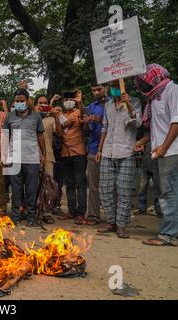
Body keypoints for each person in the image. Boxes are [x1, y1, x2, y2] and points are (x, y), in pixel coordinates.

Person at [134, 64, 178, 246]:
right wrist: (143, 142)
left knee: (171, 194)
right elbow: (158, 127)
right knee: (171, 194)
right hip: (162, 152)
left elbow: (177, 122)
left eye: (144, 81)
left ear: (155, 78)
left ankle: (167, 235)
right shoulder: (155, 98)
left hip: (175, 150)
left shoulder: (174, 91)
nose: (142, 86)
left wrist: (164, 148)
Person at [95, 80, 142, 238]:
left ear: (124, 86)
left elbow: (137, 123)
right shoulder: (107, 105)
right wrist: (100, 149)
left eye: (117, 86)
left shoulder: (135, 102)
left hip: (126, 151)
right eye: (112, 86)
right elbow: (105, 127)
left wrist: (128, 104)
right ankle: (111, 222)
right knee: (105, 189)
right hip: (108, 151)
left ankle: (121, 225)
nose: (114, 89)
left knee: (124, 190)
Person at [3, 89, 46, 227]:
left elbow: (40, 136)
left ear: (28, 101)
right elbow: (5, 137)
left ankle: (31, 217)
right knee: (16, 189)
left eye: (22, 101)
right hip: (13, 158)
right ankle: (15, 216)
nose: (19, 103)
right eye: (17, 101)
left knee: (31, 189)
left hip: (32, 158)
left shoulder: (36, 116)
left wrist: (43, 155)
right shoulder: (9, 116)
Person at [53, 90, 87, 225]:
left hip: (78, 153)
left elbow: (83, 121)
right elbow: (59, 133)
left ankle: (81, 213)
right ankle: (71, 211)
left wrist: (80, 104)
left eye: (70, 99)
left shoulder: (78, 112)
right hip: (65, 154)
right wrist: (56, 117)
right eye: (65, 98)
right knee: (70, 185)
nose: (67, 101)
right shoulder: (61, 114)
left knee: (81, 184)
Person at [84, 83, 109, 225]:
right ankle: (93, 215)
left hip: (110, 149)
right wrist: (87, 123)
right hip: (93, 148)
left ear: (105, 89)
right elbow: (86, 131)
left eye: (98, 89)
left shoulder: (113, 103)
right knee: (93, 185)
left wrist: (101, 120)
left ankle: (113, 217)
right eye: (93, 90)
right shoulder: (91, 107)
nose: (96, 92)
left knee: (111, 185)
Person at [34, 94, 57, 224]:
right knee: (34, 185)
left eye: (45, 103)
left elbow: (59, 133)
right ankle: (33, 211)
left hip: (48, 155)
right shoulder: (31, 117)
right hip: (32, 156)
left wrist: (56, 117)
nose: (43, 105)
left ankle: (47, 212)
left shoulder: (51, 120)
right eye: (40, 103)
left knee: (48, 186)